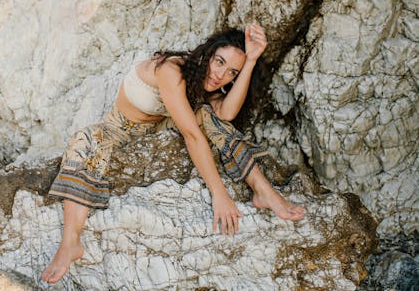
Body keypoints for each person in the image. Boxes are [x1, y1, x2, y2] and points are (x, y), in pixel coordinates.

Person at [41, 24, 305, 284]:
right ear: (208, 54)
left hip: (160, 130)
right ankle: (70, 242)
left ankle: (263, 190)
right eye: (219, 62)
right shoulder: (172, 70)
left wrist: (251, 62)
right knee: (85, 140)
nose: (220, 75)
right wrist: (219, 193)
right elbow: (192, 135)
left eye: (231, 72)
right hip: (120, 130)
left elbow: (226, 113)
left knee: (212, 117)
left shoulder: (207, 85)